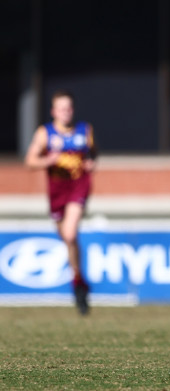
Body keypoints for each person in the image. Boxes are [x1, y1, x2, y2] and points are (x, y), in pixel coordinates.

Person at [25, 90, 97, 315]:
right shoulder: (45, 133)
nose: (66, 112)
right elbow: (30, 161)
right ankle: (79, 281)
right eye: (61, 108)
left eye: (69, 108)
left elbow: (93, 154)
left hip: (78, 187)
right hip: (57, 192)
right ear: (53, 111)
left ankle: (77, 282)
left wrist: (91, 163)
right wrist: (48, 159)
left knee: (70, 233)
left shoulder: (84, 130)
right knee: (67, 239)